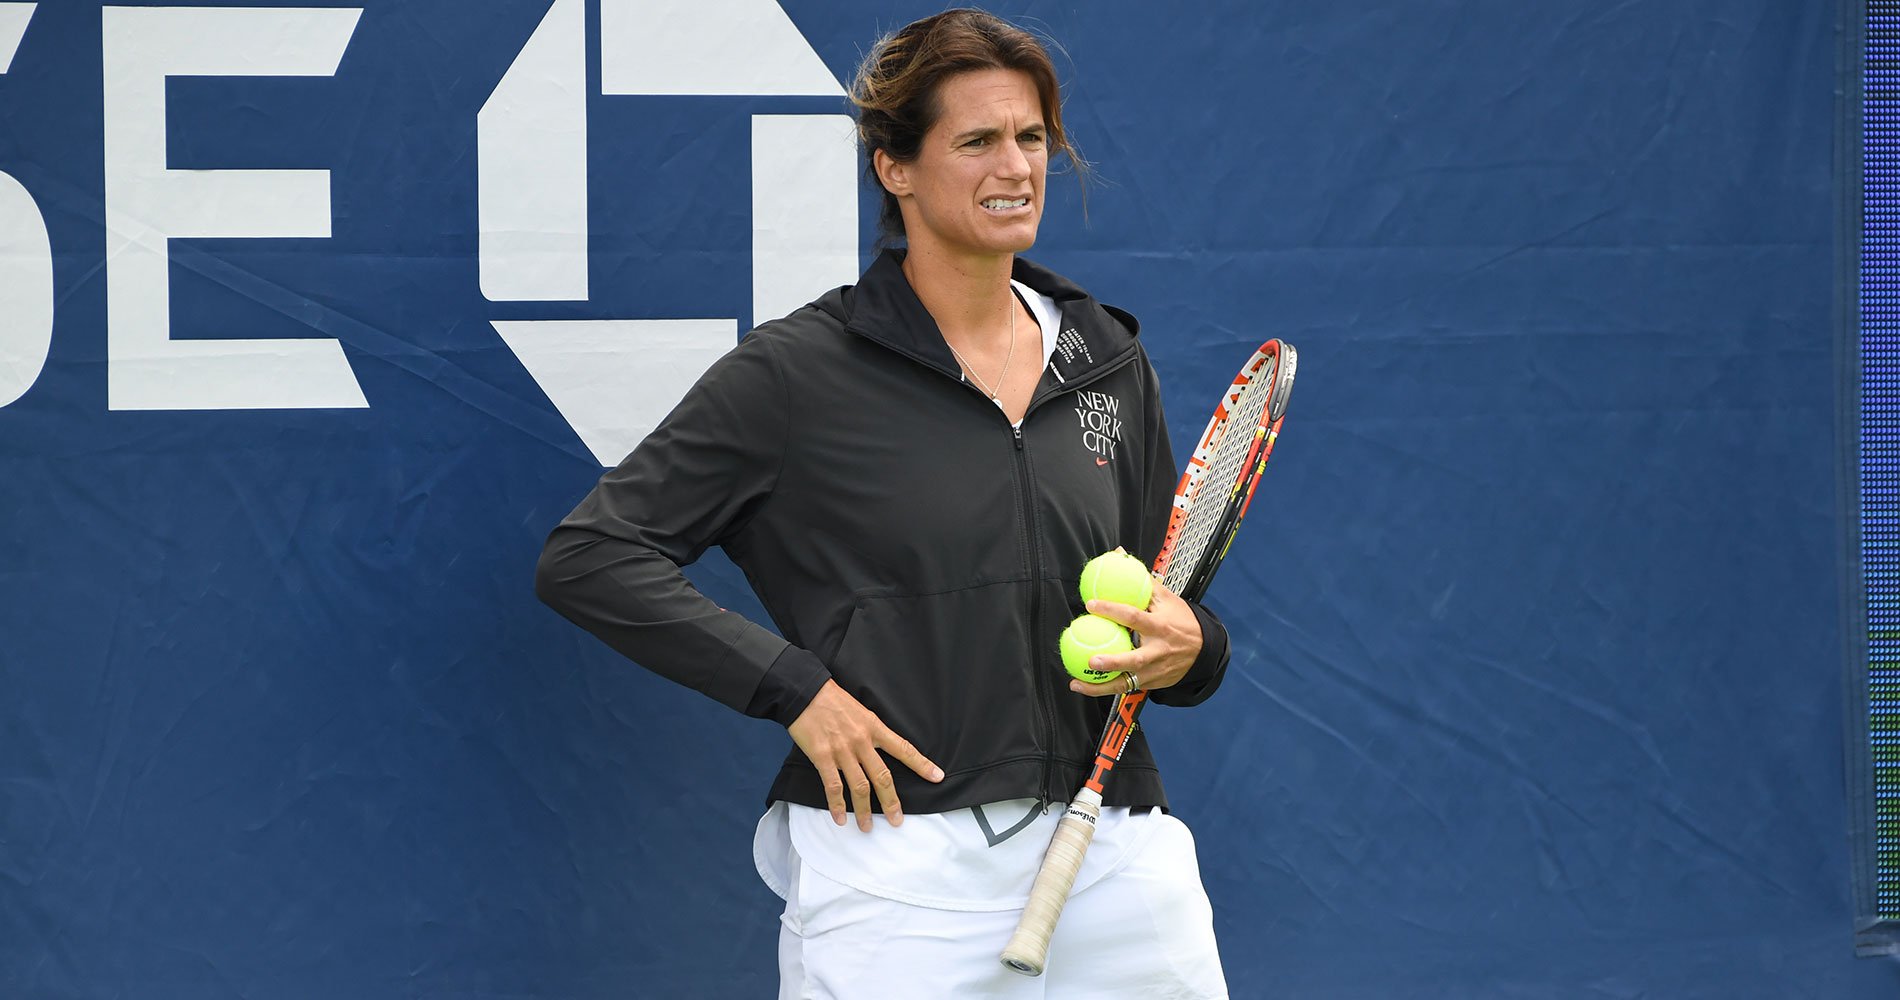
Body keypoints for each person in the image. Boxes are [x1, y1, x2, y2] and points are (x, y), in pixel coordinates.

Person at [536, 9, 1232, 997]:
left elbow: (1161, 602)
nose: (1017, 166)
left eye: (1032, 138)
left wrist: (1194, 648)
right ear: (893, 167)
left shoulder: (1105, 362)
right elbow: (592, 555)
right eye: (977, 140)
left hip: (1114, 844)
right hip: (900, 865)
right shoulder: (796, 374)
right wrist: (795, 690)